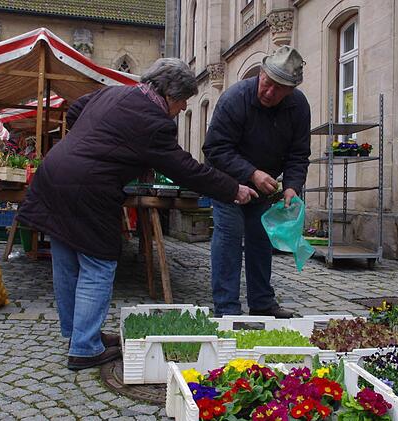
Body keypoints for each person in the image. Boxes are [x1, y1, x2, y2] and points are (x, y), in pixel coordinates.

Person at [17, 58, 258, 371]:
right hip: (89, 187)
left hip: (53, 173)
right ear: (171, 95)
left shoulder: (114, 93)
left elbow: (75, 111)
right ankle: (84, 348)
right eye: (184, 100)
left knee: (67, 261)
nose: (183, 107)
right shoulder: (154, 123)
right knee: (98, 264)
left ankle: (78, 334)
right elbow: (185, 169)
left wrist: (97, 142)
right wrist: (233, 189)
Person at [203, 45, 311, 319]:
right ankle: (227, 310)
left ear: (291, 89)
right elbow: (215, 149)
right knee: (228, 237)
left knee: (261, 238)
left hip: (263, 186)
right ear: (261, 73)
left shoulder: (298, 107)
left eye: (280, 88)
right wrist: (252, 173)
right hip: (227, 181)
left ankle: (262, 303)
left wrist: (291, 186)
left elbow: (298, 154)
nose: (270, 92)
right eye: (267, 83)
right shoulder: (234, 99)